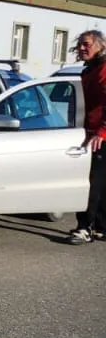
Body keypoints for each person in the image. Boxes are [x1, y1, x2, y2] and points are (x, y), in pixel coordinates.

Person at [67, 30, 106, 245]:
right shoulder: (90, 69)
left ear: (100, 46)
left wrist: (102, 132)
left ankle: (85, 228)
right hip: (91, 132)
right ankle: (101, 227)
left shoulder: (103, 69)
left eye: (87, 44)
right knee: (101, 184)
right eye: (80, 44)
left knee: (91, 184)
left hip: (100, 136)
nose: (82, 48)